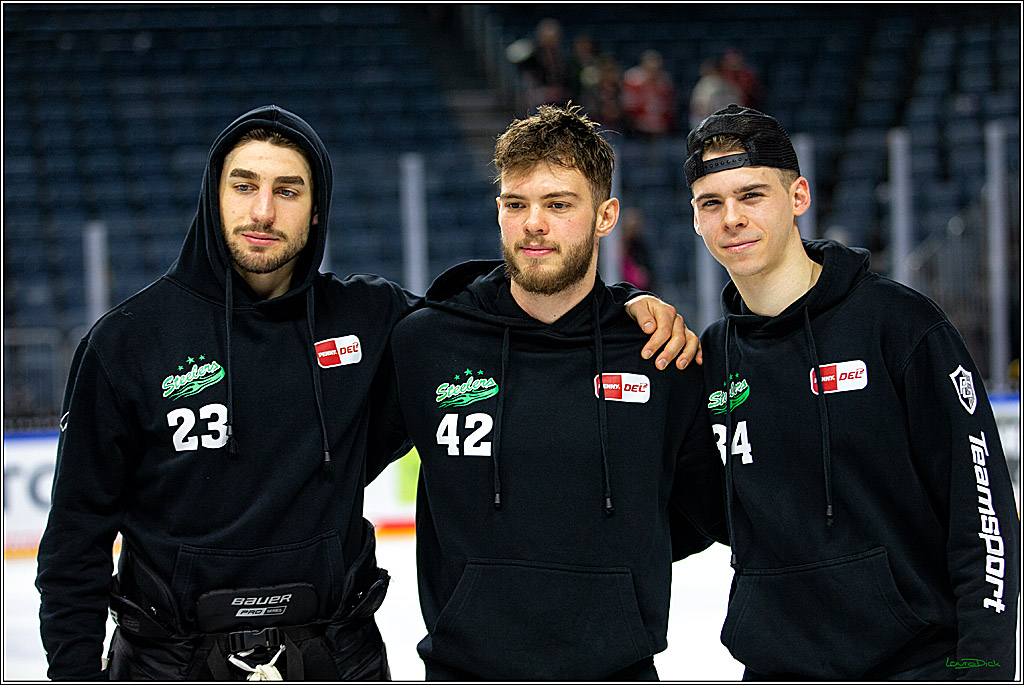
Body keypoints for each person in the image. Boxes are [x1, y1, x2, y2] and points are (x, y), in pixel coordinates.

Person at [34, 104, 701, 680]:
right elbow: (74, 540)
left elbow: (511, 314)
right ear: (214, 194)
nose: (263, 210)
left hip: (334, 652)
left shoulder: (373, 320)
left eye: (287, 190)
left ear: (317, 205)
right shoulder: (127, 341)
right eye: (244, 185)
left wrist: (622, 309)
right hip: (168, 658)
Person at [389, 104, 728, 680]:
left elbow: (703, 513)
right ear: (498, 212)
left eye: (558, 204)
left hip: (616, 668)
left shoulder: (657, 353)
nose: (534, 223)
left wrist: (608, 576)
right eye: (516, 204)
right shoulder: (426, 343)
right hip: (464, 670)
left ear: (605, 215)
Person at [686, 104, 1019, 680]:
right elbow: (706, 512)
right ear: (695, 219)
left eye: (752, 195)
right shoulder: (712, 358)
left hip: (918, 668)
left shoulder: (901, 326)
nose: (732, 218)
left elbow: (982, 513)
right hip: (776, 670)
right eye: (711, 203)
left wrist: (979, 668)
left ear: (798, 197)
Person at [621, 49, 677, 137]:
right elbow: (628, 104)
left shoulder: (664, 81)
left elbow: (669, 105)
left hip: (658, 127)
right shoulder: (633, 80)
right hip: (638, 126)